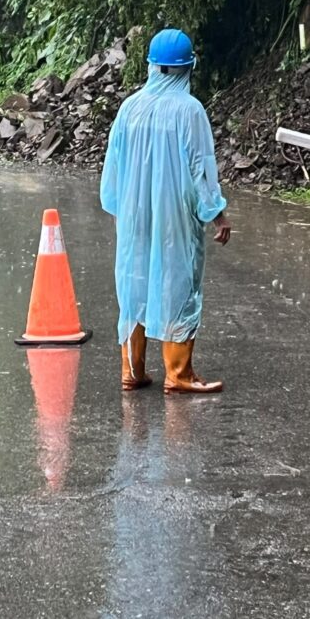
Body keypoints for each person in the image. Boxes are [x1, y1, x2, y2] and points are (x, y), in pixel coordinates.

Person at [100, 28, 233, 394]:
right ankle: (179, 374)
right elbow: (201, 169)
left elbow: (112, 167)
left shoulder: (130, 108)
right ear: (188, 67)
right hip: (175, 214)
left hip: (132, 214)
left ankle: (133, 369)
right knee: (176, 283)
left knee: (135, 283)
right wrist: (216, 212)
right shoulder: (189, 111)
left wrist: (121, 209)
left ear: (152, 67)